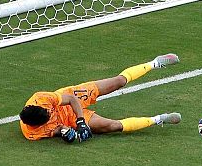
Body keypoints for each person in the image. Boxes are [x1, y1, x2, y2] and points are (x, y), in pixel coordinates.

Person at [18, 54, 184, 142]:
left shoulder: (41, 99)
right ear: (35, 124)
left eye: (48, 113)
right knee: (112, 126)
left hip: (72, 97)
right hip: (68, 120)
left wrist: (81, 121)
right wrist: (67, 133)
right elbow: (55, 130)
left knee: (118, 82)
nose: (49, 115)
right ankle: (158, 119)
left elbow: (71, 99)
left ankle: (154, 63)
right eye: (47, 118)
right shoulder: (32, 133)